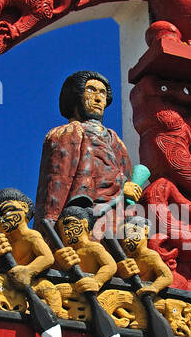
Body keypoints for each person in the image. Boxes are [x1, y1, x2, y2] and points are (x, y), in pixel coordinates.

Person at [35, 71, 143, 228]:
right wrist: (121, 186)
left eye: (103, 93)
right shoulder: (66, 133)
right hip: (81, 219)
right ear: (76, 96)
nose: (98, 98)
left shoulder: (115, 140)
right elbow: (56, 184)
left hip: (116, 220)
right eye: (91, 90)